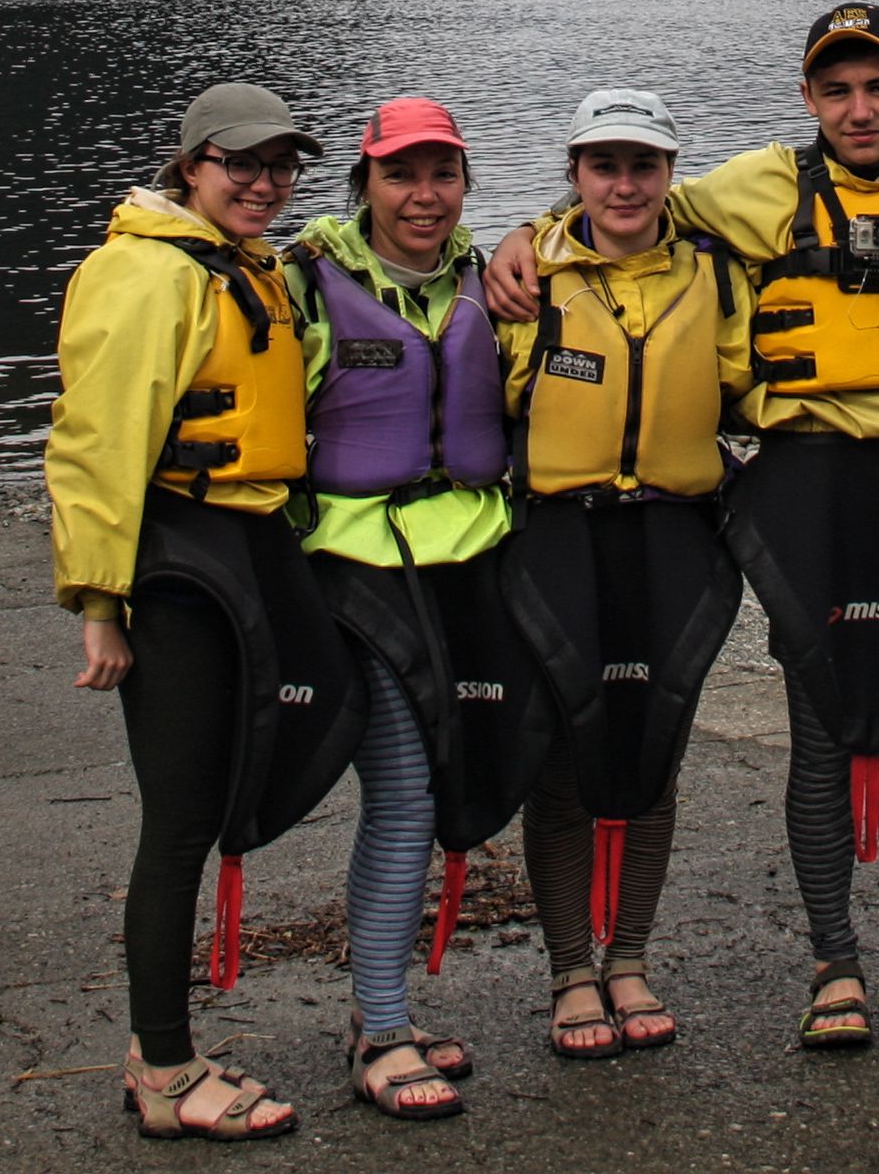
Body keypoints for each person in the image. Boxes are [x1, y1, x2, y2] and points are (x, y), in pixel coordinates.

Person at [503, 6, 879, 1047]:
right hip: (805, 481)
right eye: (837, 89)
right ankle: (834, 966)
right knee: (821, 722)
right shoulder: (755, 187)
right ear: (808, 98)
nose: (858, 109)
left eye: (878, 86)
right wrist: (521, 236)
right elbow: (627, 207)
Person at [48, 82, 359, 1142]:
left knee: (245, 777)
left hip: (248, 545)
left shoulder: (252, 266)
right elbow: (95, 444)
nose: (264, 183)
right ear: (191, 166)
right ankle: (167, 1073)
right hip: (178, 566)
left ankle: (166, 1056)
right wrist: (99, 604)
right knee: (178, 822)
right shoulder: (141, 274)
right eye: (241, 164)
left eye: (281, 166)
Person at [289, 98, 544, 1122]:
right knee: (399, 790)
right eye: (401, 176)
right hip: (356, 573)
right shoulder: (306, 285)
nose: (423, 196)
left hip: (471, 566)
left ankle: (380, 1010)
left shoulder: (493, 280)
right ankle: (383, 1029)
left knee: (448, 790)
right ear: (366, 184)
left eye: (442, 175)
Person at [493, 90, 748, 1062]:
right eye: (605, 165)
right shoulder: (529, 280)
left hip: (674, 535)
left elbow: (752, 385)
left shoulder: (713, 275)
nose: (626, 184)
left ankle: (630, 959)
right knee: (563, 756)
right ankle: (570, 971)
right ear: (575, 175)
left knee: (654, 749)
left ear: (671, 175)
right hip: (561, 536)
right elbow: (485, 401)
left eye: (644, 165)